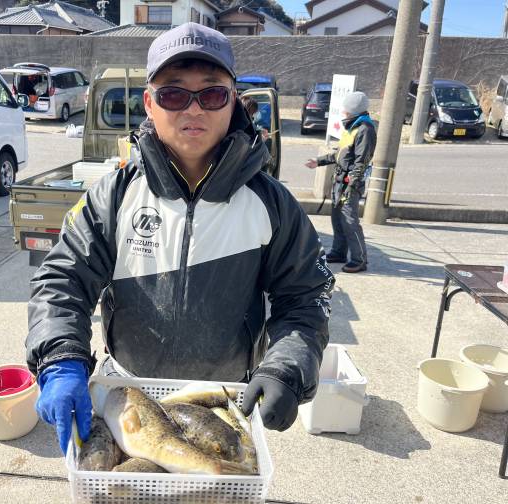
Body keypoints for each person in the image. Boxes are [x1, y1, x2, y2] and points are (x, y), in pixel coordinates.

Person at [26, 22, 335, 455]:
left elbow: (306, 295)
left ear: (233, 101)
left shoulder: (272, 203)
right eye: (173, 94)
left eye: (212, 94)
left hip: (225, 402)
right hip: (128, 395)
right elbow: (63, 280)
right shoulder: (114, 195)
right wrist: (60, 360)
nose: (194, 110)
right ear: (149, 103)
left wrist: (287, 366)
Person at [305, 91, 376, 273]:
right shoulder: (352, 127)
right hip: (340, 181)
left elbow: (362, 161)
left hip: (349, 183)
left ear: (354, 109)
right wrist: (319, 161)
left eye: (346, 108)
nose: (343, 111)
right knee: (338, 219)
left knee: (350, 222)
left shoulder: (365, 129)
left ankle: (359, 259)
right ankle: (338, 252)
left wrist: (352, 184)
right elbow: (340, 154)